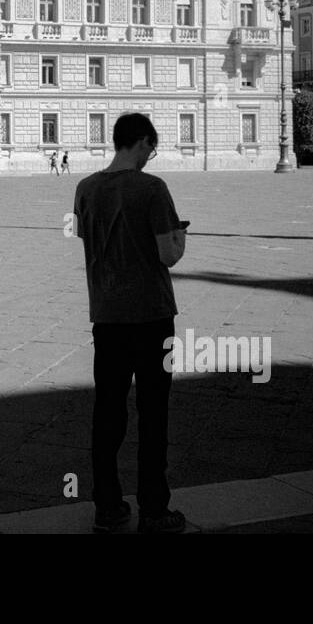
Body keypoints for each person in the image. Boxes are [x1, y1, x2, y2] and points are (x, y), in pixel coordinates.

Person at [73, 112, 187, 535]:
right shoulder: (152, 188)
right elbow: (168, 254)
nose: (149, 157)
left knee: (108, 412)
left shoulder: (85, 188)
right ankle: (154, 509)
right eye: (150, 149)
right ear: (140, 142)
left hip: (107, 314)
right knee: (153, 414)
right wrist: (181, 236)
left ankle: (107, 505)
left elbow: (89, 239)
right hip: (151, 315)